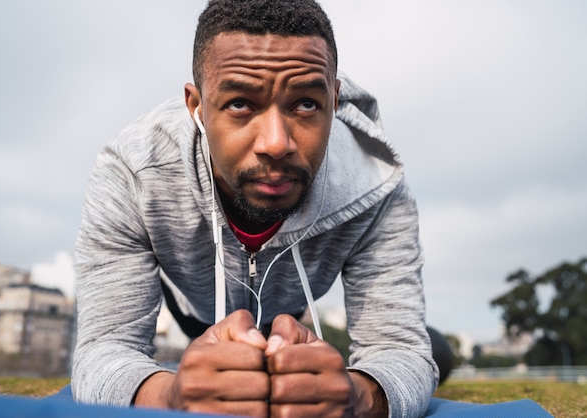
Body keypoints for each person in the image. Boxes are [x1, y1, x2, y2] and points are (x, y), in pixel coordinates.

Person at [72, 0, 438, 417]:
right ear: (197, 108)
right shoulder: (133, 176)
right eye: (241, 104)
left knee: (433, 353)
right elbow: (103, 348)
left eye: (305, 104)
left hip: (293, 309)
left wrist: (359, 394)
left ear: (333, 101)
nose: (276, 143)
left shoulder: (376, 184)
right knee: (205, 372)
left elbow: (399, 348)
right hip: (197, 309)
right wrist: (171, 396)